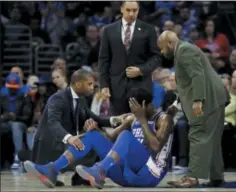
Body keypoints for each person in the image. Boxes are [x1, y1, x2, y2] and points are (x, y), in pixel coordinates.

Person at [24, 88, 175, 189]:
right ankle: (53, 169)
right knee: (92, 136)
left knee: (126, 135)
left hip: (149, 174)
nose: (134, 113)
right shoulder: (132, 118)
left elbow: (156, 147)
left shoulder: (164, 119)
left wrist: (142, 120)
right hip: (127, 175)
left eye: (136, 109)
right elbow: (110, 138)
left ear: (146, 105)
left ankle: (100, 170)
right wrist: (96, 129)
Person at [157, 31, 230, 187]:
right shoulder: (184, 50)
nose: (162, 53)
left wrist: (198, 100)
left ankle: (192, 177)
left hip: (207, 99)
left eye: (162, 48)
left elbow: (198, 76)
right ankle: (216, 177)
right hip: (214, 98)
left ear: (170, 43)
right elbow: (187, 83)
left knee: (198, 134)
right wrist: (176, 103)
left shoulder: (184, 50)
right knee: (212, 139)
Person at [31, 69, 124, 186]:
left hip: (63, 140)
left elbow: (95, 118)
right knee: (89, 141)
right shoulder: (58, 98)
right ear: (78, 84)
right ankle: (52, 170)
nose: (93, 87)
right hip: (50, 143)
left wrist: (117, 119)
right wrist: (70, 138)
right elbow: (53, 123)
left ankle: (78, 177)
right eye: (89, 84)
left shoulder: (81, 99)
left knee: (92, 137)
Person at [99, 1, 161, 115]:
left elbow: (156, 57)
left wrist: (141, 70)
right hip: (117, 87)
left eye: (135, 10)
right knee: (119, 126)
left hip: (141, 87)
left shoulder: (149, 29)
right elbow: (104, 60)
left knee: (141, 126)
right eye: (128, 10)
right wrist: (104, 85)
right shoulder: (108, 30)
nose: (131, 14)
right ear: (122, 9)